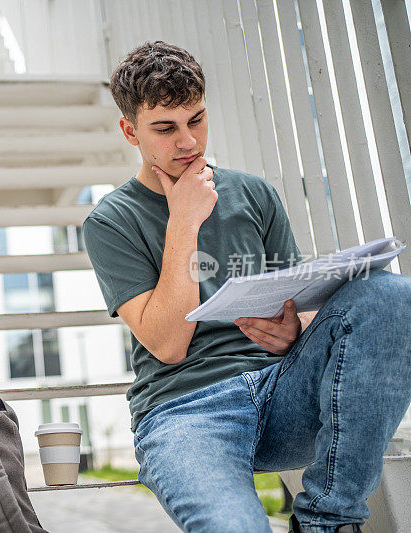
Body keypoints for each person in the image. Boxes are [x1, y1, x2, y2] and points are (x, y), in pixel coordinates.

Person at [82, 41, 411, 533]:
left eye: (196, 119)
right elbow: (168, 345)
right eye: (165, 128)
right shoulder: (110, 221)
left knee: (389, 295)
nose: (188, 141)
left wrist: (292, 332)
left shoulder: (254, 194)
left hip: (281, 392)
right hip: (184, 411)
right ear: (131, 131)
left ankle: (327, 521)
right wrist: (184, 223)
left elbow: (297, 305)